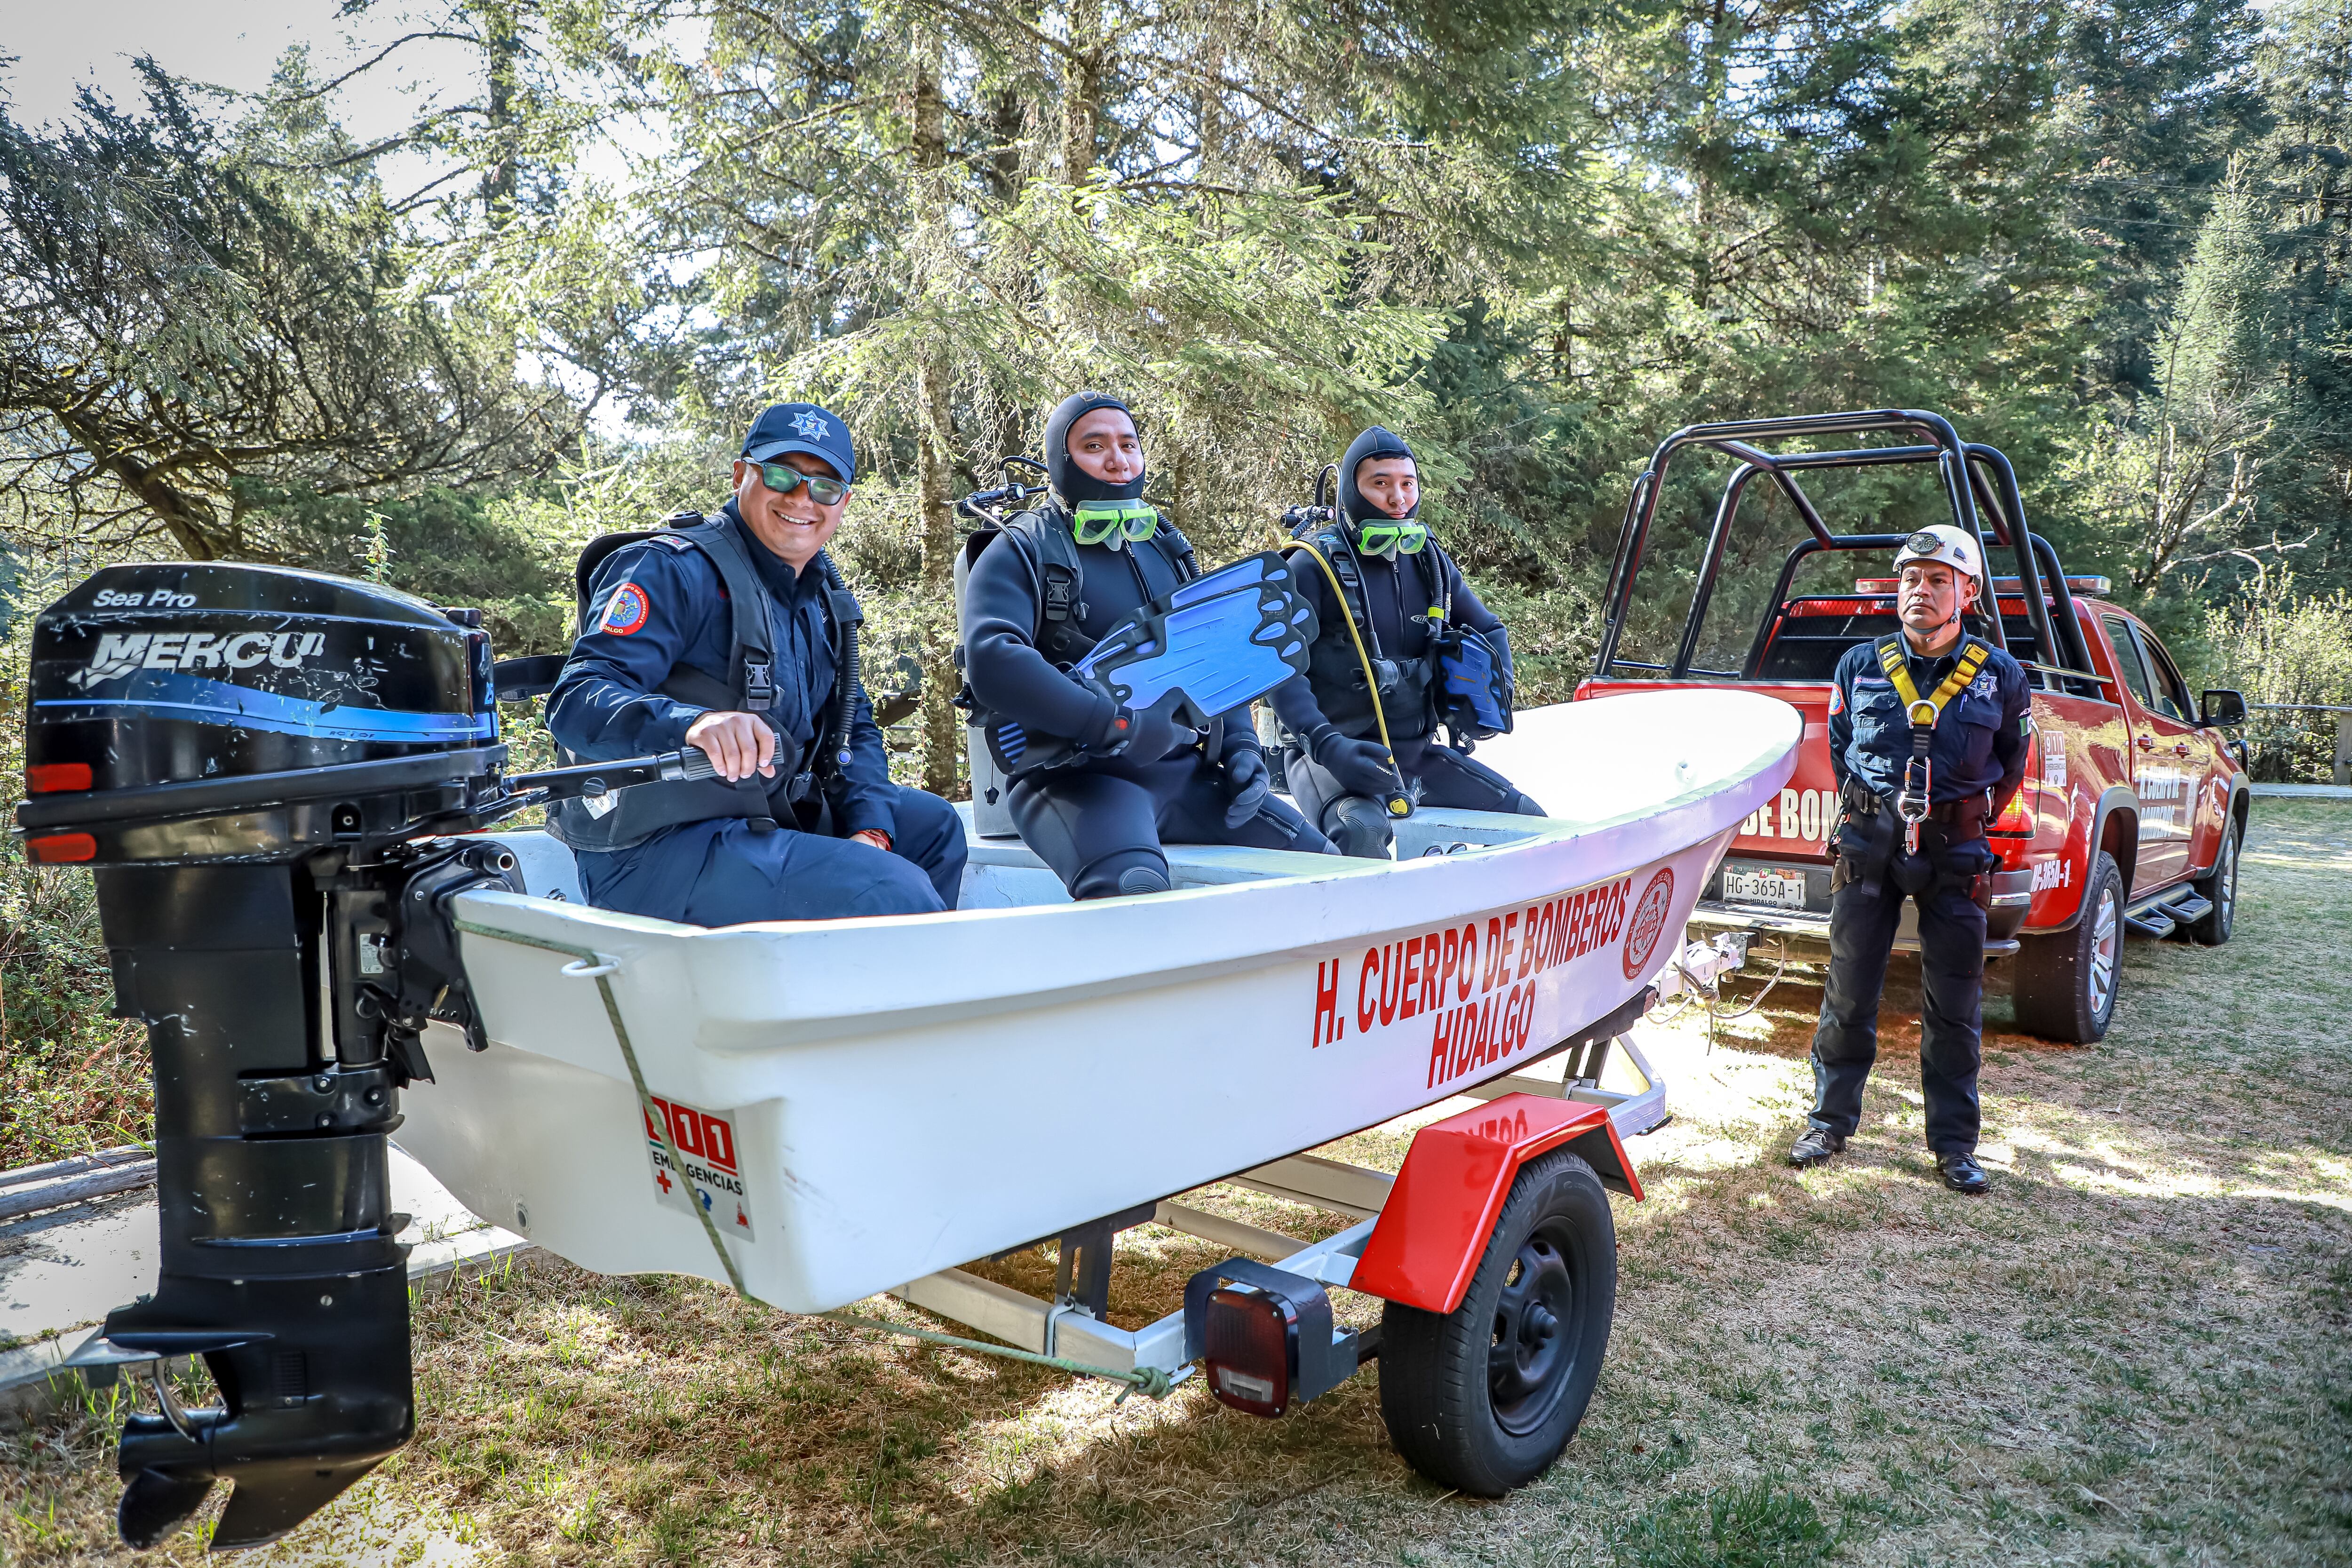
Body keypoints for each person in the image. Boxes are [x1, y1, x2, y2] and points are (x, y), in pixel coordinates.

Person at [546, 401, 967, 924]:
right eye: (781, 475)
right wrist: (693, 725)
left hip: (762, 820)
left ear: (843, 502)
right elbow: (577, 699)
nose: (801, 498)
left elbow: (854, 727)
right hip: (656, 850)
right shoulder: (670, 569)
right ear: (741, 474)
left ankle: (853, 970)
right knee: (889, 890)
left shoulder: (821, 600)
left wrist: (871, 829)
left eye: (825, 487)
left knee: (934, 828)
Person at [959, 389, 1334, 899]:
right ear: (1060, 460)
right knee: (1133, 892)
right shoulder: (1021, 549)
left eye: (1128, 445)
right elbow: (993, 660)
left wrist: (1241, 747)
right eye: (1094, 446)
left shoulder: (1164, 547)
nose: (1118, 460)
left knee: (1333, 872)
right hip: (1077, 784)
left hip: (1186, 776)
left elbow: (1221, 652)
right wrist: (1114, 724)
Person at [1790, 524, 2031, 1194]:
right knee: (1848, 990)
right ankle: (1828, 1124)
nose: (1919, 590)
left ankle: (1954, 1146)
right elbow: (1842, 748)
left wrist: (1961, 814)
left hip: (1956, 849)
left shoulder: (1999, 675)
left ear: (1968, 593)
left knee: (1955, 1002)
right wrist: (1875, 811)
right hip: (1869, 843)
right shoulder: (1858, 664)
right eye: (1910, 578)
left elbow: (2011, 761)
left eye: (1937, 580)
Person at [1267, 425, 1544, 858]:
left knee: (1528, 823)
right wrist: (1326, 745)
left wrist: (1494, 693)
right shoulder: (1311, 566)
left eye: (1407, 484)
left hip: (1414, 754)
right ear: (1351, 491)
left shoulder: (1429, 561)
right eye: (1380, 484)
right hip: (1329, 758)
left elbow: (1489, 629)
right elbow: (1279, 668)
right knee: (1361, 832)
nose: (1398, 499)